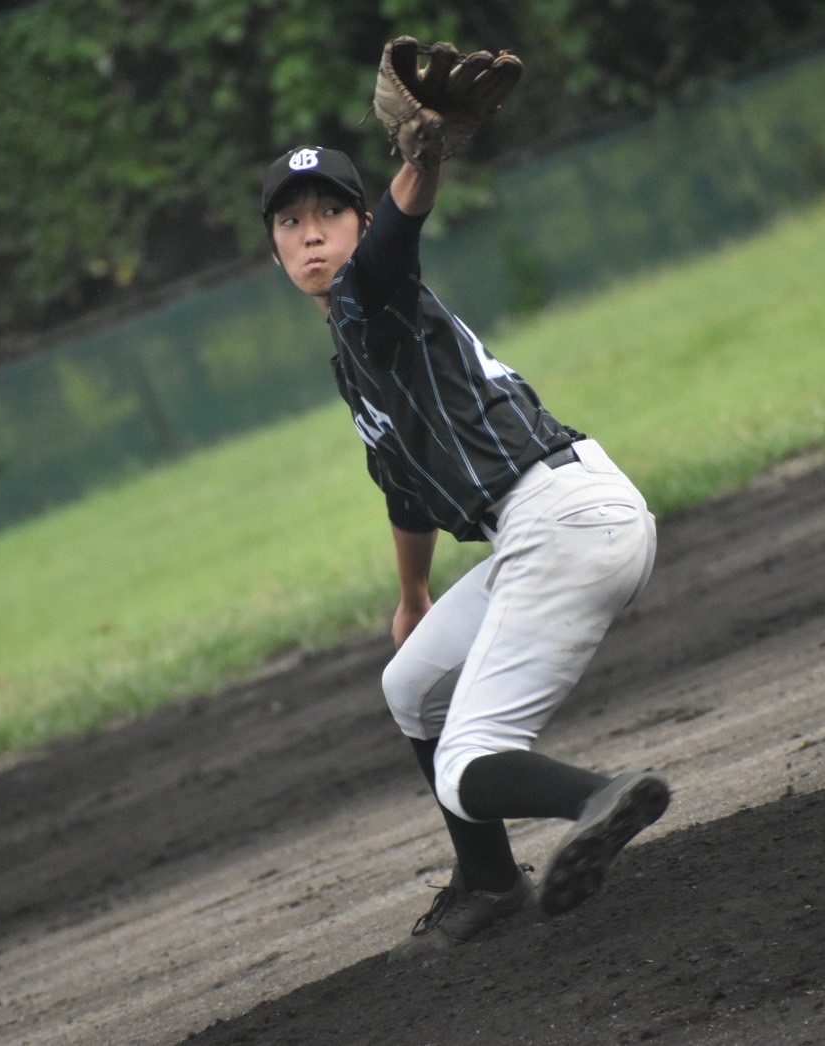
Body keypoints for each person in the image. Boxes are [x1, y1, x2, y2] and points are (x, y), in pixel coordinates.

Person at [260, 134, 669, 960]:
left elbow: (396, 238)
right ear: (273, 247)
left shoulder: (371, 294)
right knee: (412, 686)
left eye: (331, 213)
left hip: (561, 523)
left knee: (465, 761)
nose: (311, 234)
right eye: (291, 221)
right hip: (551, 522)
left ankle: (605, 798)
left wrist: (427, 156)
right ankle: (489, 884)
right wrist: (413, 596)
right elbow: (404, 490)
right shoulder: (358, 356)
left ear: (361, 223)